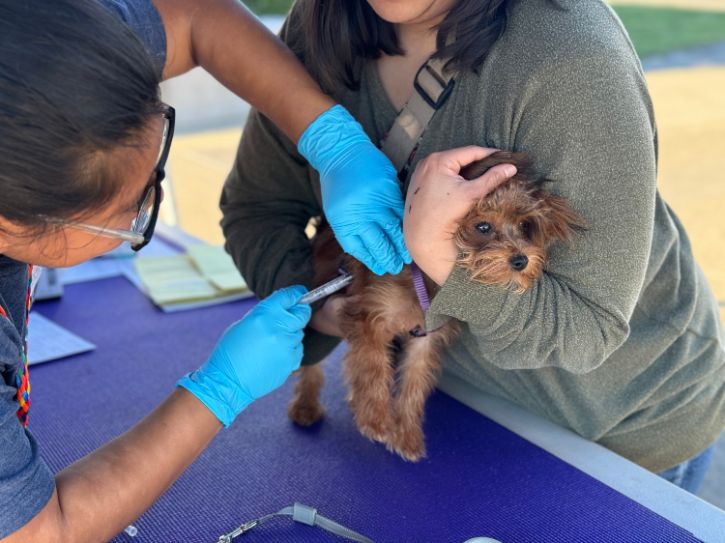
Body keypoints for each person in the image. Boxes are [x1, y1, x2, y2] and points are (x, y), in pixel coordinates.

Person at [220, 0, 725, 495]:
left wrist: (438, 254)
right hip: (456, 409)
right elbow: (256, 210)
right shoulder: (318, 26)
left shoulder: (572, 56)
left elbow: (588, 330)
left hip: (613, 437)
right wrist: (333, 311)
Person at [0, 0, 415, 539]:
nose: (157, 200)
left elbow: (199, 18)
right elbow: (36, 534)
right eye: (129, 215)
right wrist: (217, 391)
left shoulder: (35, 57)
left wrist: (333, 142)